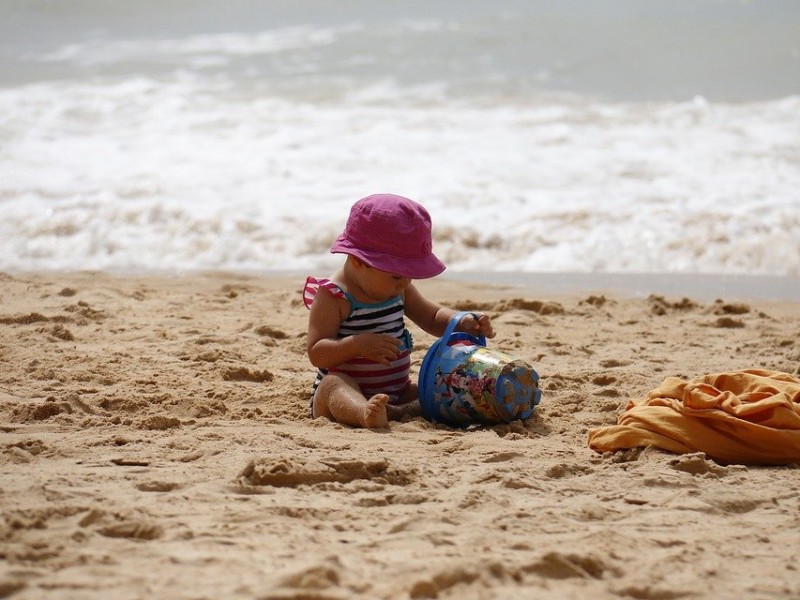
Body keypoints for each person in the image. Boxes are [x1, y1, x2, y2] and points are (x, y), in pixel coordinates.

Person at [303, 193, 495, 428]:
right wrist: (357, 345)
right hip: (343, 393)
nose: (404, 282)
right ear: (357, 261)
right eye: (396, 274)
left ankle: (395, 411)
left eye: (410, 273)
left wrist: (461, 321)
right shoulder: (334, 296)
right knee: (333, 384)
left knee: (436, 390)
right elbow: (316, 352)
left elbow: (432, 317)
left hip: (396, 390)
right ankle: (363, 412)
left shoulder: (399, 289)